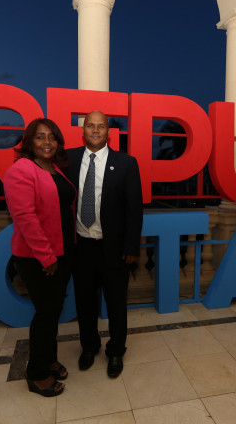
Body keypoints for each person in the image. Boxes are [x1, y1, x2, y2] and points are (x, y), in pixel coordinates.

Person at [66, 110, 143, 378]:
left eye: (101, 126)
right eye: (91, 125)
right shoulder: (68, 159)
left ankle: (116, 350)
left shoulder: (126, 163)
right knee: (84, 302)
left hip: (114, 248)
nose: (96, 130)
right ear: (83, 130)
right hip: (81, 247)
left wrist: (131, 247)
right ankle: (89, 347)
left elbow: (134, 209)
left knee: (116, 304)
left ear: (109, 131)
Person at [4, 118, 75, 397]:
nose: (47, 142)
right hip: (39, 257)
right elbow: (25, 218)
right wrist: (47, 257)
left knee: (53, 310)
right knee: (46, 313)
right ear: (29, 142)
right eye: (40, 136)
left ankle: (49, 359)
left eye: (52, 137)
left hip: (62, 252)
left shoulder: (54, 168)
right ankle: (36, 373)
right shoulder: (22, 169)